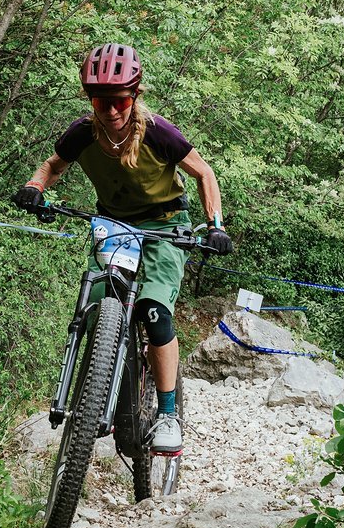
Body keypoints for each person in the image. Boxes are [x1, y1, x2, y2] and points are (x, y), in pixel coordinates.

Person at [13, 43, 233, 455]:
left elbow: (204, 174)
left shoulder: (159, 132)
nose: (111, 110)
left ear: (134, 97)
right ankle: (98, 393)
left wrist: (214, 225)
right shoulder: (82, 132)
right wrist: (34, 188)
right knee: (99, 305)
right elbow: (51, 166)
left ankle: (168, 414)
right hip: (114, 225)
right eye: (101, 100)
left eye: (119, 100)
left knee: (153, 310)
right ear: (90, 100)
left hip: (165, 226)